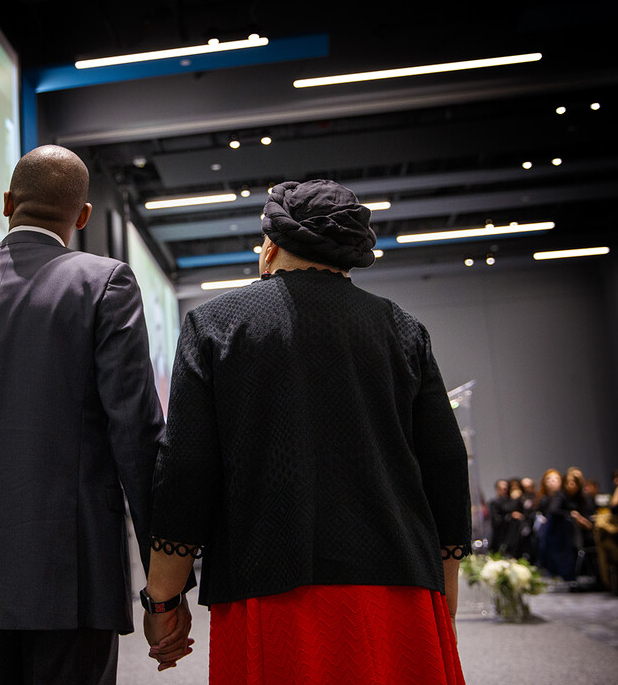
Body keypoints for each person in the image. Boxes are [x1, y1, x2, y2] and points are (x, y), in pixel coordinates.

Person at [141, 179, 471, 683]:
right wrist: (444, 590)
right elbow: (445, 463)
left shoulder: (215, 325)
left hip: (271, 589)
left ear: (270, 247)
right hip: (398, 583)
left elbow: (186, 468)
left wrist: (163, 600)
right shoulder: (403, 329)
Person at [0, 145, 165, 684]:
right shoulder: (104, 285)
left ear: (6, 203)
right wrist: (163, 586)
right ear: (84, 215)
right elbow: (136, 435)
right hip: (69, 577)